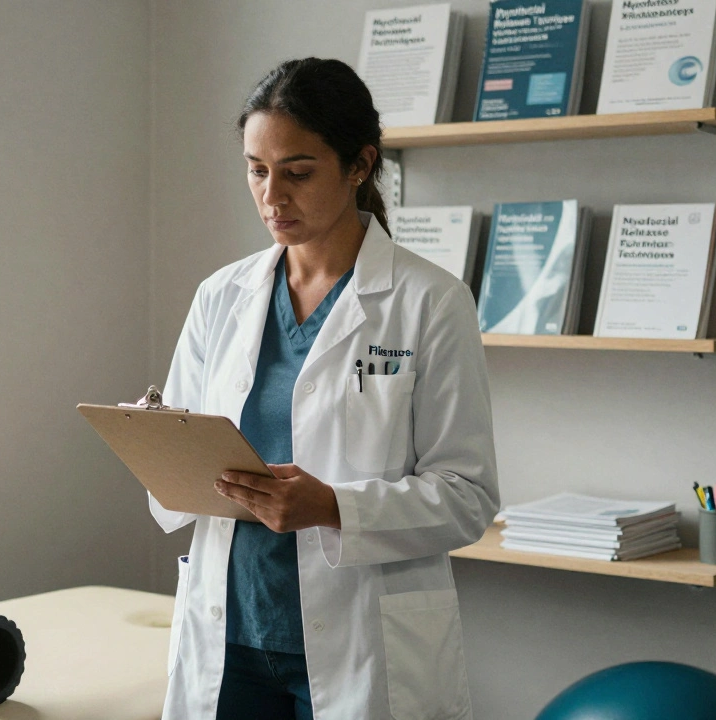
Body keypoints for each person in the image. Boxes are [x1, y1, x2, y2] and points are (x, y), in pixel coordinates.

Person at [151, 57, 499, 720]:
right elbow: (181, 472)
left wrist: (333, 506)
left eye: (298, 172)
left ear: (361, 164)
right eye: (256, 170)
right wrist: (159, 440)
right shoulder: (221, 296)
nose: (272, 197)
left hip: (361, 637)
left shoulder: (431, 302)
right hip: (231, 631)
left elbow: (468, 497)